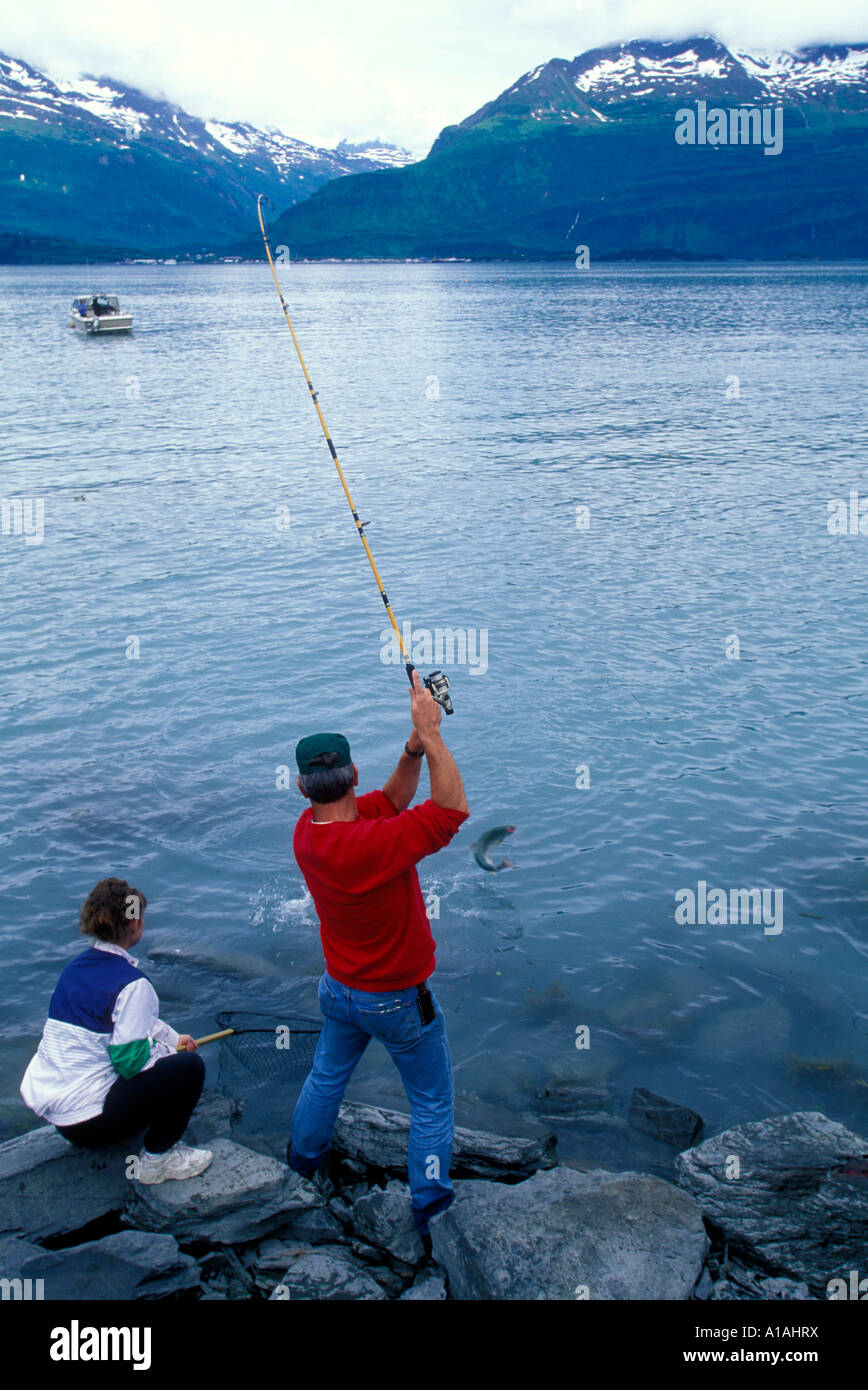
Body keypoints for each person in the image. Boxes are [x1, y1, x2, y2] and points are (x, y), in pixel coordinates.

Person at [288, 670, 469, 1246]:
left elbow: (392, 802)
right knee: (433, 1103)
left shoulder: (307, 833)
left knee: (326, 1077)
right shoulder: (368, 845)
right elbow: (451, 811)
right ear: (352, 775)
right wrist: (434, 734)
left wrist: (413, 748)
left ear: (302, 788)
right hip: (396, 1001)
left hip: (340, 990)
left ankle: (301, 1164)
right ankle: (432, 1207)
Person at [20, 878, 213, 1185]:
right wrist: (167, 1055)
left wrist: (172, 1039)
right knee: (189, 1069)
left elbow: (131, 1022)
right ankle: (157, 1160)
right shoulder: (134, 984)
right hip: (91, 1125)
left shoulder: (76, 968)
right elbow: (129, 1063)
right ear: (135, 925)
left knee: (165, 1059)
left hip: (62, 1119)